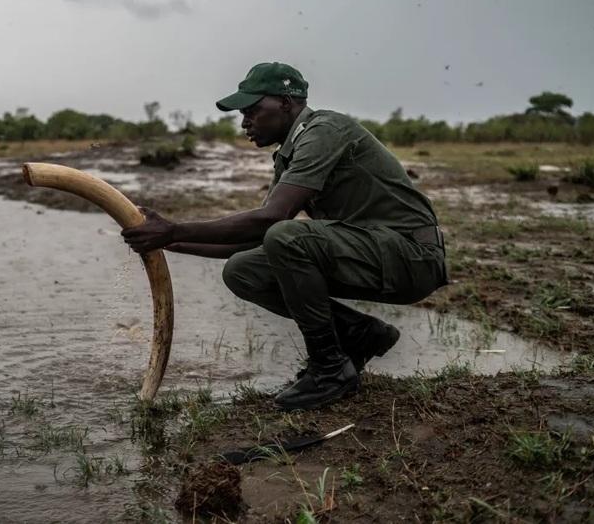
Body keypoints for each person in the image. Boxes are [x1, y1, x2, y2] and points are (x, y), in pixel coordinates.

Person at [121, 62, 448, 411]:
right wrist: (171, 242)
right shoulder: (291, 153)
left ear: (286, 103)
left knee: (286, 236)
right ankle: (358, 335)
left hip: (412, 257)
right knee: (242, 271)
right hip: (375, 253)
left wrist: (173, 228)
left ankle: (330, 368)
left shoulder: (324, 130)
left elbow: (272, 222)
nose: (245, 121)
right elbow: (257, 238)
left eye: (252, 111)